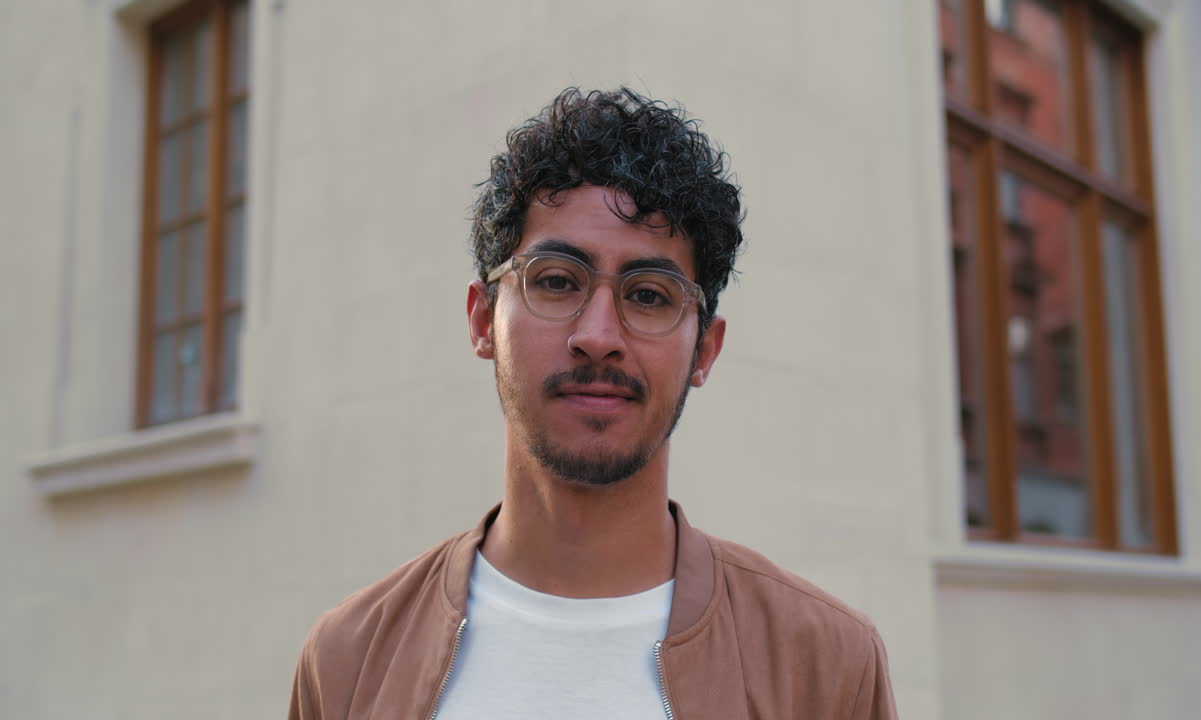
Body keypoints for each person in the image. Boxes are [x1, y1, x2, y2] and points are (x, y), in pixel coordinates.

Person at [287, 87, 897, 720]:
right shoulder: (347, 661)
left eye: (651, 295)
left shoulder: (825, 667)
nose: (599, 337)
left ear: (704, 352)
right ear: (481, 321)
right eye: (556, 281)